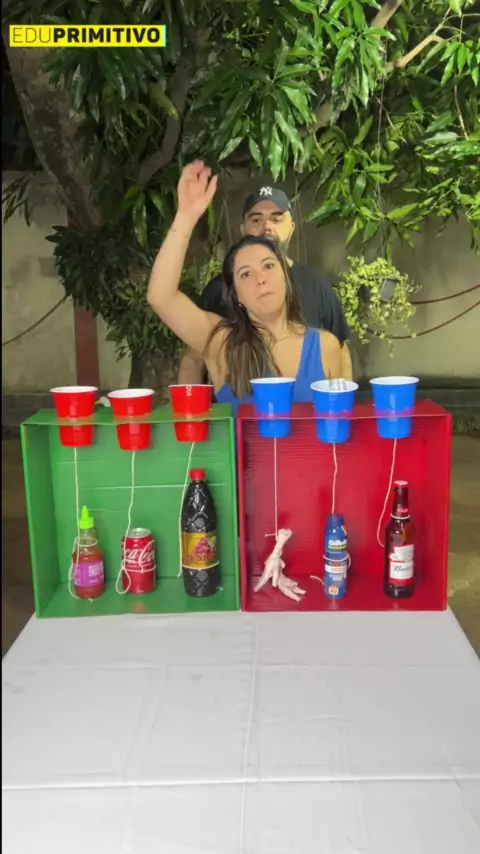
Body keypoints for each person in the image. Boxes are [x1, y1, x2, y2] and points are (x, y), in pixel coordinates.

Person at [147, 161, 345, 409]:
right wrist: (185, 217)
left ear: (286, 277)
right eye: (245, 274)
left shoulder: (326, 346)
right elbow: (160, 297)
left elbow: (339, 418)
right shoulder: (221, 343)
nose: (260, 278)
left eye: (268, 266)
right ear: (237, 295)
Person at [178, 182, 352, 384]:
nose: (267, 227)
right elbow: (193, 360)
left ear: (291, 228)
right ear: (243, 229)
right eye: (256, 220)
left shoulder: (317, 285)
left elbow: (341, 352)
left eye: (276, 219)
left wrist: (344, 400)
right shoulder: (219, 289)